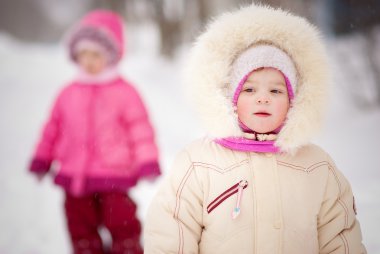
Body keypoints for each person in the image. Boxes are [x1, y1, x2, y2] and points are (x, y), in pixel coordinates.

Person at [144, 4, 366, 254]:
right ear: (231, 99)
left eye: (276, 90)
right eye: (249, 89)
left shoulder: (317, 167)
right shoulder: (198, 164)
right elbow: (171, 232)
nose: (263, 99)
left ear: (295, 101)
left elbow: (340, 238)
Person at [29, 10, 160, 254]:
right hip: (74, 177)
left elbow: (140, 129)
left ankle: (127, 249)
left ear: (111, 56)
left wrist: (148, 161)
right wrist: (42, 158)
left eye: (96, 55)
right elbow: (52, 128)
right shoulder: (68, 93)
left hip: (114, 177)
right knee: (80, 228)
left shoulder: (125, 92)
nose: (89, 61)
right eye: (83, 54)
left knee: (123, 223)